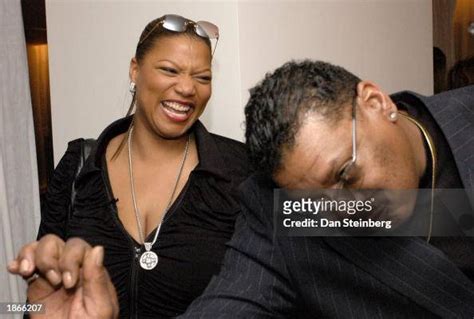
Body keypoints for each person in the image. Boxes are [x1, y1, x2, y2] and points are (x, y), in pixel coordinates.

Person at [9, 60, 474, 317]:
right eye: (314, 204)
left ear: (375, 102)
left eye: (346, 174)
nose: (344, 211)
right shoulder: (276, 214)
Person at [7, 14, 252, 318]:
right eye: (169, 70)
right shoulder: (79, 167)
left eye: (202, 77)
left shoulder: (244, 169)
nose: (188, 88)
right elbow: (40, 301)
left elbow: (298, 273)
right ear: (135, 70)